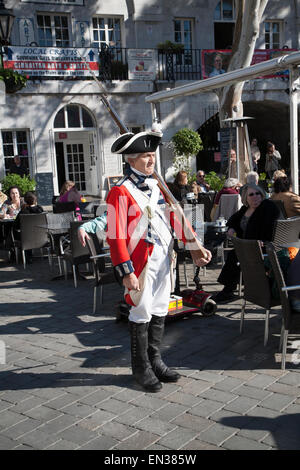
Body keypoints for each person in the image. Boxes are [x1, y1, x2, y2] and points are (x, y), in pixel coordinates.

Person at [106, 127, 211, 392]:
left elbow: (175, 217)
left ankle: (156, 360)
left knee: (161, 309)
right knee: (140, 312)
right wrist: (126, 271)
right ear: (130, 160)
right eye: (144, 156)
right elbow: (116, 237)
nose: (151, 160)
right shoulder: (120, 191)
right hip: (140, 265)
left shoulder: (157, 185)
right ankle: (141, 368)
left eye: (152, 155)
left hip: (165, 260)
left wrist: (195, 247)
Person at [212, 184, 280, 303]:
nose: (255, 197)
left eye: (257, 193)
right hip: (247, 246)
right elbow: (234, 219)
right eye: (251, 194)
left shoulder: (268, 207)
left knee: (235, 255)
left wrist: (260, 241)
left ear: (262, 194)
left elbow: (269, 230)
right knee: (234, 253)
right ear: (245, 198)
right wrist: (232, 227)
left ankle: (228, 289)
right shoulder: (245, 209)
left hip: (263, 247)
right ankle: (229, 288)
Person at [12, 192, 44, 263]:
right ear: (35, 200)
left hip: (27, 238)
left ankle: (20, 256)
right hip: (41, 236)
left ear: (25, 201)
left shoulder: (23, 212)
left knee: (21, 233)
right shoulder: (41, 210)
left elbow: (16, 225)